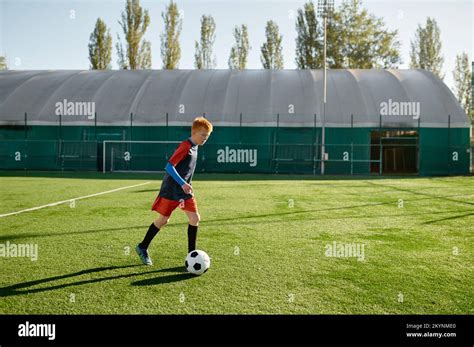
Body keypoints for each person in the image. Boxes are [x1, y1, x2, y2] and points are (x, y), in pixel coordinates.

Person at [135, 117, 213, 265]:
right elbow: (169, 167)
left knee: (194, 218)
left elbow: (186, 170)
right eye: (203, 135)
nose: (205, 139)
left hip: (184, 192)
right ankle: (142, 246)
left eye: (207, 136)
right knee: (163, 220)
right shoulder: (185, 146)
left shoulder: (195, 147)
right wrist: (183, 183)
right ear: (194, 132)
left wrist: (187, 184)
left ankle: (192, 254)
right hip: (171, 190)